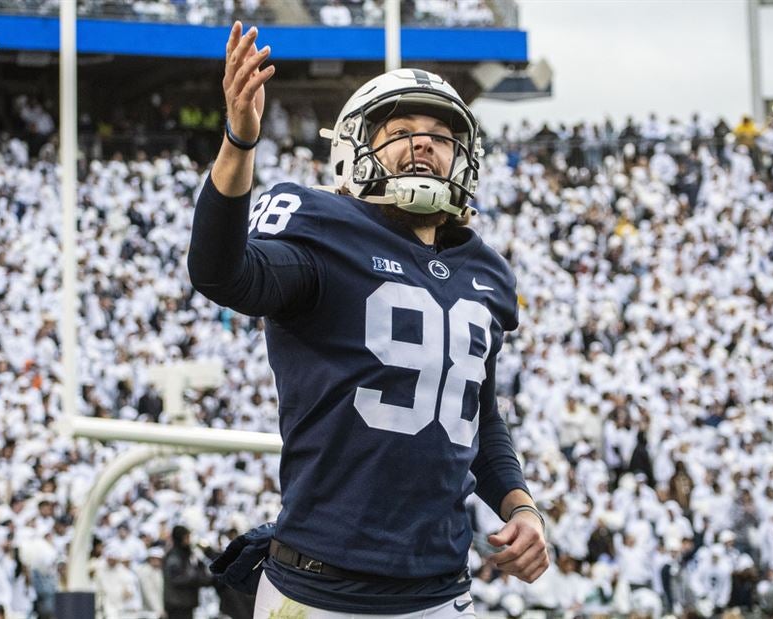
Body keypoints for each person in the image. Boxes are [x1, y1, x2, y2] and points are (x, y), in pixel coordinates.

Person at [187, 21, 549, 618]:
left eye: (439, 135)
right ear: (355, 148)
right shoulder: (323, 225)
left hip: (442, 588)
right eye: (400, 131)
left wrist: (520, 506)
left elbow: (473, 414)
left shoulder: (486, 272)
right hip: (319, 590)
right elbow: (221, 274)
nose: (423, 144)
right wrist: (239, 141)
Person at [162, 526, 210, 619]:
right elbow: (177, 578)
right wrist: (196, 578)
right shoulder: (174, 556)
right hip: (177, 603)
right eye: (186, 537)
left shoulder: (187, 553)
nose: (189, 540)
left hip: (186, 602)